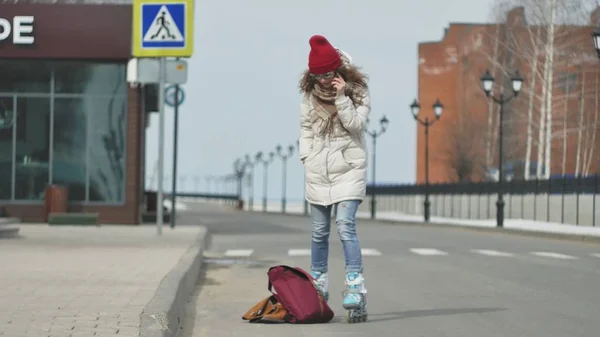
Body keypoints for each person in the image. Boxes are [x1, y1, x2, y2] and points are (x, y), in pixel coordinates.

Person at [297, 34, 370, 322]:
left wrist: (341, 98)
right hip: (318, 170)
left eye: (329, 74)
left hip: (349, 168)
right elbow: (305, 128)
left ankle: (354, 284)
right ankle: (319, 284)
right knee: (319, 231)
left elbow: (356, 125)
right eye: (319, 75)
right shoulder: (308, 95)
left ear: (338, 70)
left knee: (345, 225)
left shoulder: (358, 91)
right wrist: (307, 156)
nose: (325, 80)